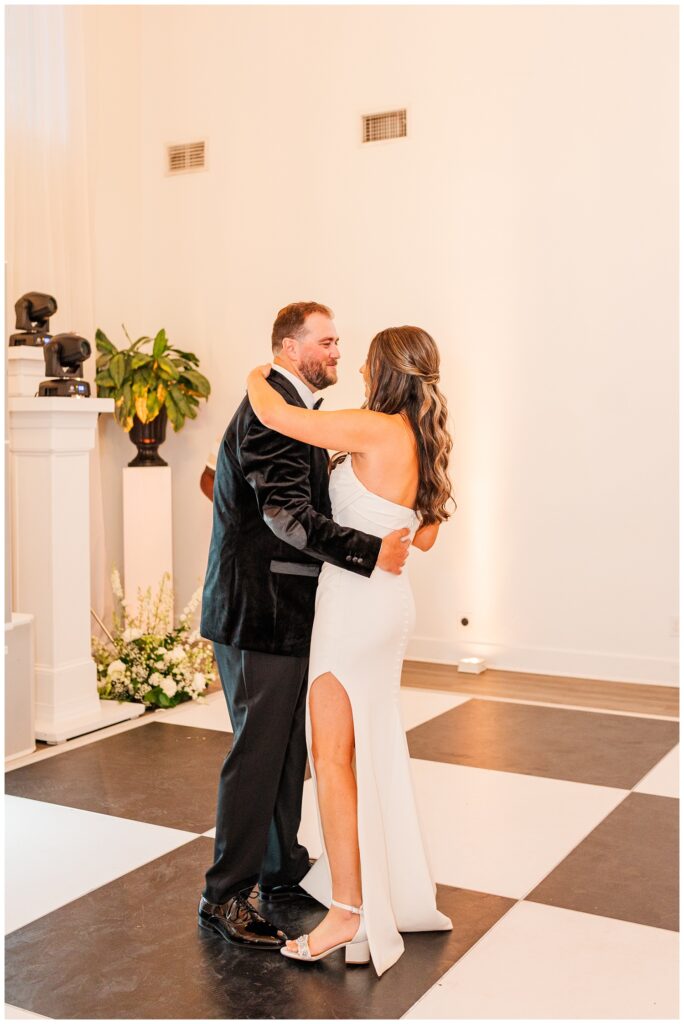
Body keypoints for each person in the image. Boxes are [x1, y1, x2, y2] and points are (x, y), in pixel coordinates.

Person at [198, 302, 411, 950]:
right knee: (258, 757)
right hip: (257, 613)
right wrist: (370, 553)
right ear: (289, 348)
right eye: (325, 342)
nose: (336, 352)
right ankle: (224, 898)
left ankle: (281, 868)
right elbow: (286, 516)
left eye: (339, 342)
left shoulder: (293, 411)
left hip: (286, 616)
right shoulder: (272, 414)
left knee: (288, 753)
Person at [246, 324, 455, 976]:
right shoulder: (423, 439)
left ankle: (347, 914)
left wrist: (261, 369)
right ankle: (377, 893)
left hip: (353, 609)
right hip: (389, 606)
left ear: (380, 369)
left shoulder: (373, 427)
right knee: (371, 749)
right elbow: (421, 541)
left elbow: (275, 412)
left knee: (333, 759)